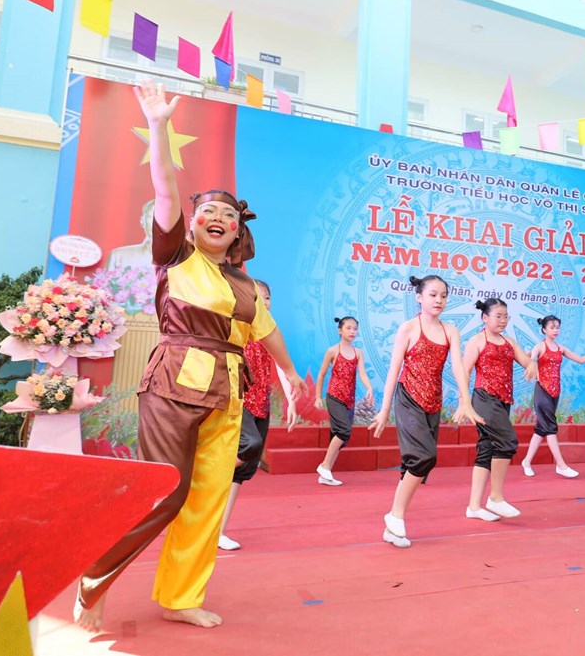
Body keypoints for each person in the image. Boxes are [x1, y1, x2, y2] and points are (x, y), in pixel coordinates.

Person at [74, 80, 305, 632]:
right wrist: (158, 126)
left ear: (238, 231)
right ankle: (94, 582)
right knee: (163, 493)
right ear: (194, 222)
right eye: (208, 211)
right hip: (175, 384)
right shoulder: (175, 255)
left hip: (228, 394)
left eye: (228, 213)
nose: (217, 216)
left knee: (206, 500)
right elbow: (166, 191)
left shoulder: (244, 283)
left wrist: (291, 374)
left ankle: (180, 596)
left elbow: (266, 330)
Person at [370, 275, 481, 548]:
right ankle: (395, 515)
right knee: (424, 457)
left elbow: (458, 366)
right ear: (419, 297)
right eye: (433, 295)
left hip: (433, 402)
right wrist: (385, 410)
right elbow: (394, 370)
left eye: (443, 296)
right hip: (408, 397)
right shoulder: (409, 328)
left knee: (417, 465)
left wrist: (465, 401)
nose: (438, 300)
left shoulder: (450, 331)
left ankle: (393, 528)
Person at [217, 280, 294, 551]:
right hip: (238, 401)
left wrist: (291, 402)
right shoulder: (236, 325)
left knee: (243, 471)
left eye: (267, 297)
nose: (263, 301)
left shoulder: (270, 330)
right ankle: (202, 477)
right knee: (249, 444)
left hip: (261, 402)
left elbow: (283, 366)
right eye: (257, 297)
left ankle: (219, 531)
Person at [462, 298, 539, 521]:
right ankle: (495, 497)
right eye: (498, 316)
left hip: (503, 401)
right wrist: (464, 403)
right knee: (507, 442)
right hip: (484, 399)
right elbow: (465, 372)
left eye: (506, 316)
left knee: (487, 448)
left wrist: (532, 364)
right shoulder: (477, 341)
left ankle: (474, 507)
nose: (503, 320)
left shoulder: (509, 342)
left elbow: (526, 361)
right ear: (485, 318)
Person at [519, 315, 585, 478]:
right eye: (552, 327)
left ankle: (526, 461)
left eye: (557, 327)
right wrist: (529, 358)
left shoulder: (561, 348)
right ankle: (561, 465)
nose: (556, 330)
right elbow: (530, 360)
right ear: (544, 329)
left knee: (541, 428)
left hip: (555, 392)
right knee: (550, 426)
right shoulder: (540, 347)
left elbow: (580, 360)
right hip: (542, 391)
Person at [313, 315, 374, 486]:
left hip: (349, 399)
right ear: (340, 330)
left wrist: (369, 387)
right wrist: (317, 397)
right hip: (335, 396)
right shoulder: (333, 351)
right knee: (343, 431)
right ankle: (324, 466)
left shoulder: (358, 353)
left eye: (355, 328)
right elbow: (321, 374)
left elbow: (362, 373)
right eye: (348, 328)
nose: (352, 331)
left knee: (341, 437)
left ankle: (325, 474)